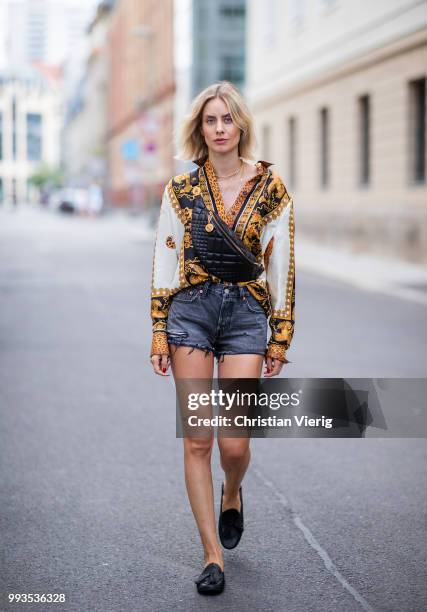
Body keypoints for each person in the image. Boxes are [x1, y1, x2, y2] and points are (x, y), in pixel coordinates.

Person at [149, 81, 295, 595]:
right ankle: (213, 556)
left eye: (227, 119)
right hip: (190, 311)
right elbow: (166, 258)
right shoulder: (181, 191)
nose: (219, 129)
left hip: (246, 316)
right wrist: (158, 330)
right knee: (198, 439)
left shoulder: (272, 188)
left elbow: (282, 268)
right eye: (210, 120)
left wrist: (280, 335)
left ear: (240, 126)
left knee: (234, 443)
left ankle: (232, 491)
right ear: (200, 129)